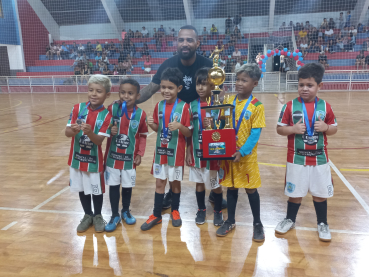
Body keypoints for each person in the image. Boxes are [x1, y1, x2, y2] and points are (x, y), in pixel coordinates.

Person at [275, 63, 338, 242]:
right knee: (295, 192)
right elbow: (280, 129)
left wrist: (326, 127)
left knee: (320, 193)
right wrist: (293, 129)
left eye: (309, 85)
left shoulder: (325, 107)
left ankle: (322, 223)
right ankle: (290, 219)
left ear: (320, 86)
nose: (304, 89)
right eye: (301, 85)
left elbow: (334, 129)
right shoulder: (290, 106)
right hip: (296, 158)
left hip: (320, 158)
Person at [215, 64, 266, 242]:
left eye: (244, 80)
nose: (239, 83)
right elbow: (222, 124)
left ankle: (258, 223)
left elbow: (255, 134)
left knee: (251, 190)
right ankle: (230, 220)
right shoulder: (229, 101)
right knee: (231, 187)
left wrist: (242, 151)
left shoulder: (257, 106)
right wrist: (218, 107)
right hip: (229, 154)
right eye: (237, 79)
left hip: (246, 158)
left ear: (255, 83)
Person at [140, 68, 192, 231]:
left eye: (170, 88)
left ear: (179, 89)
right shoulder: (159, 106)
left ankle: (175, 211)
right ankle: (156, 214)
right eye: (163, 87)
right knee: (159, 183)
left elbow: (189, 132)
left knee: (175, 183)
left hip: (176, 154)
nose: (166, 91)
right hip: (160, 154)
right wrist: (152, 124)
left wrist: (180, 126)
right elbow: (159, 129)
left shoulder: (184, 107)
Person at [65, 75, 112, 233]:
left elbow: (99, 141)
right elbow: (67, 133)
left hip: (94, 161)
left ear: (107, 94)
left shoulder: (107, 115)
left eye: (99, 91)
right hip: (77, 158)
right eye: (91, 90)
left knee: (95, 189)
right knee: (82, 188)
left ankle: (98, 215)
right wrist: (73, 130)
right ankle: (87, 215)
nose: (93, 94)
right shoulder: (77, 108)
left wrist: (90, 132)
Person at [104, 79, 148, 232]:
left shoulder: (141, 114)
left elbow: (143, 135)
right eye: (123, 92)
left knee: (127, 187)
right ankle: (114, 215)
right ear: (118, 93)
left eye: (130, 93)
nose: (126, 96)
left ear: (137, 96)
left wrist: (140, 153)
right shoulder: (111, 109)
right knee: (114, 187)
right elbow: (103, 127)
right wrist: (110, 130)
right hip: (112, 158)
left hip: (129, 159)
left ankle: (126, 211)